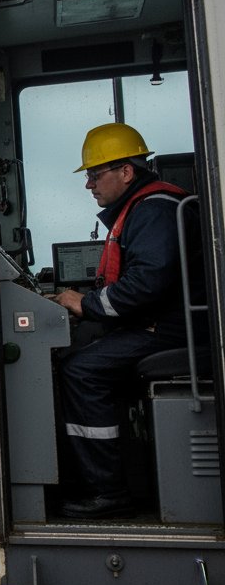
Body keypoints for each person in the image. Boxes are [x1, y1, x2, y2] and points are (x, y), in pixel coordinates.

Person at [51, 122, 197, 518]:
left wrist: (86, 305)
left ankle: (107, 490)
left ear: (127, 172)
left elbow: (147, 283)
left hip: (169, 330)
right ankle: (103, 476)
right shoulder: (147, 208)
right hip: (165, 324)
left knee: (80, 370)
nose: (89, 186)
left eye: (95, 175)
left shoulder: (152, 211)